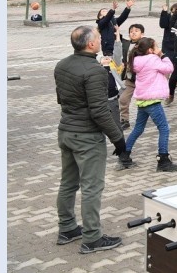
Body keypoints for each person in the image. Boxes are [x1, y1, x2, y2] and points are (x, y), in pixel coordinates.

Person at [55, 26, 126, 254]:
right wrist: (118, 138)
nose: (100, 40)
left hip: (66, 131)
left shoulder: (62, 65)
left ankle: (67, 228)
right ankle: (92, 238)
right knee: (91, 188)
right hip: (87, 137)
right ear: (91, 44)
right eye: (98, 38)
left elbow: (61, 99)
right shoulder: (95, 71)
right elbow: (99, 111)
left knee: (68, 183)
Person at [119, 37, 177, 172]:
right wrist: (162, 55)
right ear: (150, 50)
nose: (158, 48)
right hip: (152, 101)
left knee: (138, 129)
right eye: (156, 46)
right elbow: (169, 68)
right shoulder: (153, 59)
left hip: (142, 100)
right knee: (164, 128)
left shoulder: (136, 60)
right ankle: (163, 160)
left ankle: (124, 156)